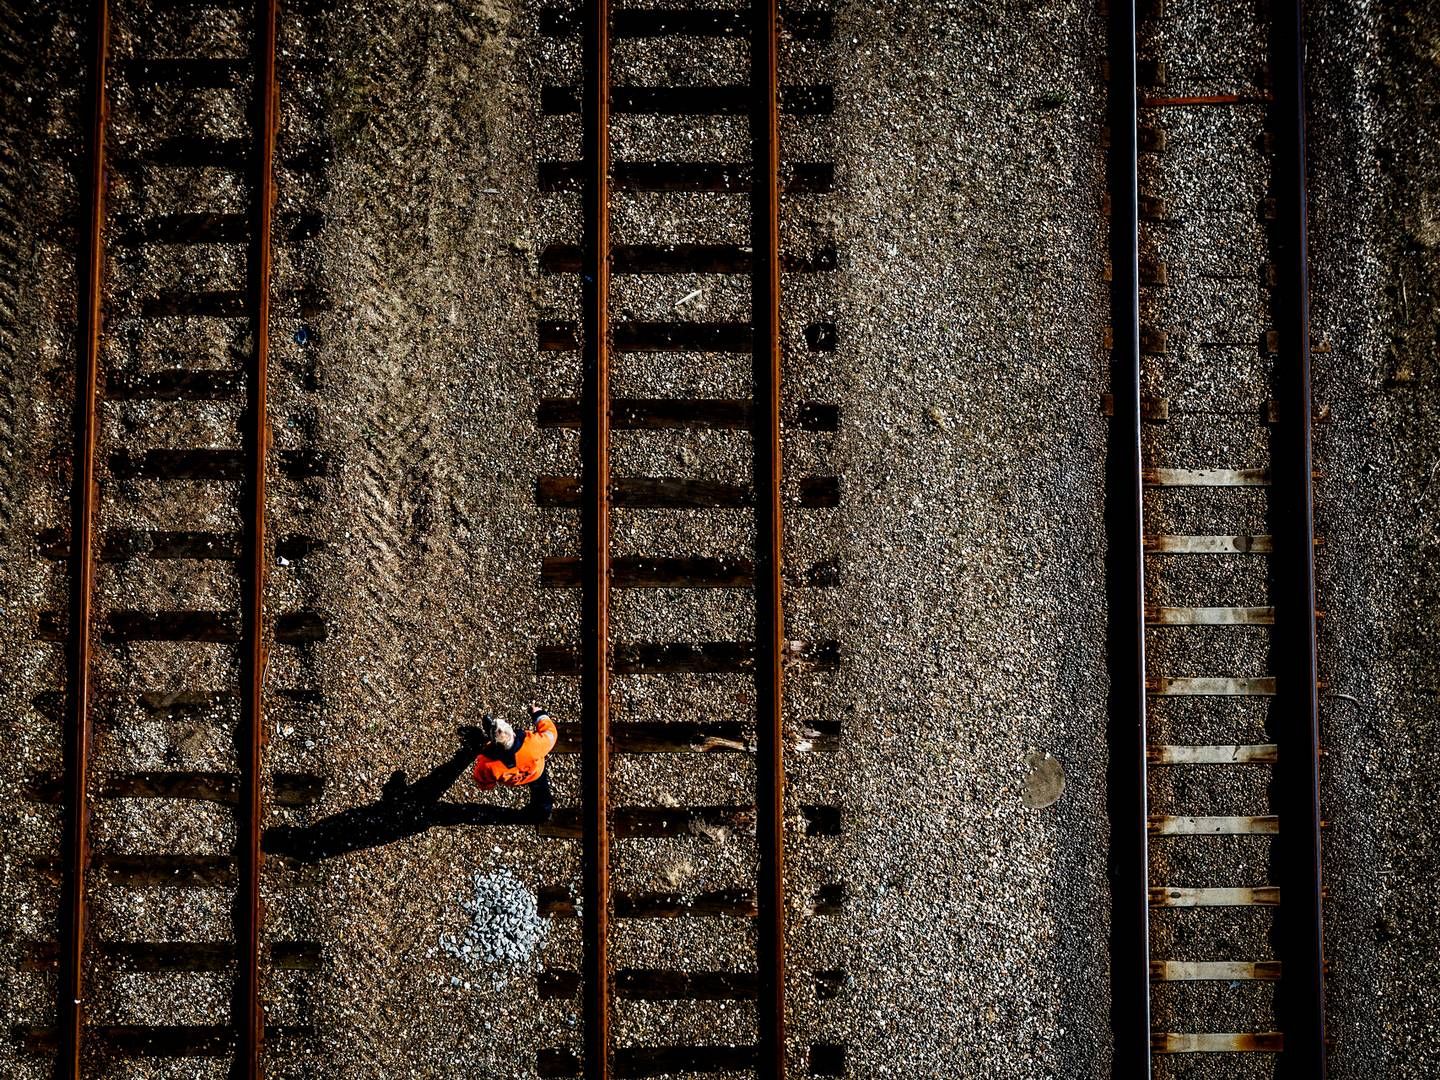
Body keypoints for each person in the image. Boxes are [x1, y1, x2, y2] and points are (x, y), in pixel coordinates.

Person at [471, 702, 557, 821]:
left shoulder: (487, 765)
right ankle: (543, 812)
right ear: (514, 734)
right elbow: (551, 733)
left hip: (513, 779)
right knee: (542, 793)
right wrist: (539, 714)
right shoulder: (533, 745)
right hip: (535, 772)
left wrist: (489, 785)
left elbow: (481, 779)